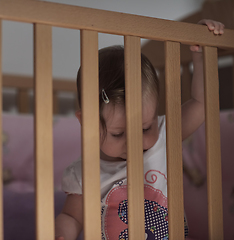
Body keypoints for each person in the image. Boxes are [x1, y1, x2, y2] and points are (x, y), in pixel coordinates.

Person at [55, 19, 225, 240]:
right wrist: (60, 233)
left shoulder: (165, 135)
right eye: (118, 133)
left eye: (145, 128)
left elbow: (201, 104)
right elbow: (72, 217)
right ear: (86, 122)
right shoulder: (84, 173)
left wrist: (202, 57)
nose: (134, 141)